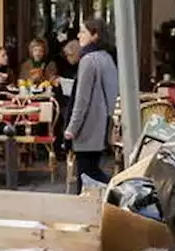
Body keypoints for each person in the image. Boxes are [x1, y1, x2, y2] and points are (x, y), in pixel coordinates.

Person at [65, 19, 118, 191]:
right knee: (92, 171)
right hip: (101, 125)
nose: (79, 35)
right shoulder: (107, 57)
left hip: (87, 129)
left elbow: (82, 100)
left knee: (87, 176)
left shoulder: (88, 60)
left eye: (83, 31)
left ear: (95, 35)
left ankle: (116, 193)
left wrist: (72, 128)